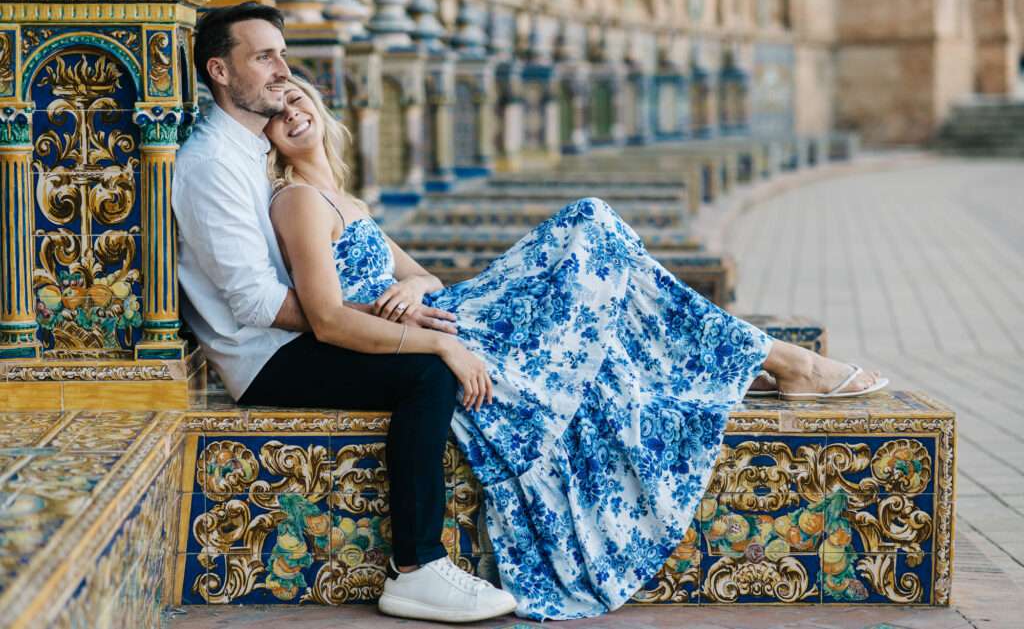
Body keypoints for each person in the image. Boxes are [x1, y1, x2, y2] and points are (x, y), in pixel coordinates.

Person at [261, 71, 888, 620]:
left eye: (298, 99)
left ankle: (776, 360)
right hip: (433, 334)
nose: (292, 112)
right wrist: (420, 334)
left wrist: (417, 287)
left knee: (607, 290)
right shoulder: (296, 200)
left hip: (439, 314)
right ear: (266, 138)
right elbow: (329, 316)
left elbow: (419, 273)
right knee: (592, 227)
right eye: (279, 111)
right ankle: (783, 361)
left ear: (321, 106)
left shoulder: (346, 201)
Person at [173, 3, 517, 623]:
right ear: (219, 71)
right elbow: (257, 304)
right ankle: (417, 568)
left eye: (282, 53)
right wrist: (395, 330)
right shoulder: (210, 164)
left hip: (306, 331)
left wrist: (398, 312)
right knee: (425, 373)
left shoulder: (254, 150)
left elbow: (358, 276)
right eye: (263, 56)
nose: (282, 69)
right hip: (265, 359)